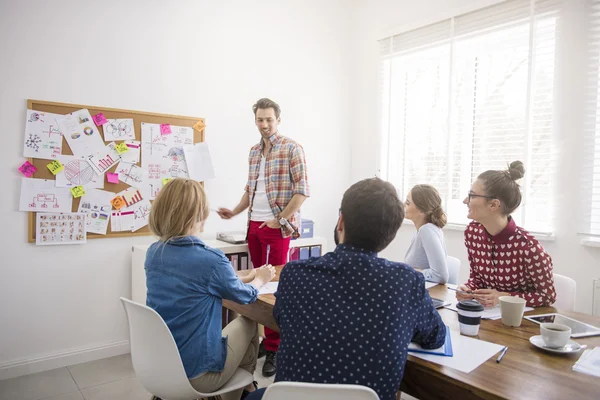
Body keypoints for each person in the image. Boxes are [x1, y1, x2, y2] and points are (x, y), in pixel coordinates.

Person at [246, 178, 446, 400]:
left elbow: (282, 318)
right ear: (390, 234)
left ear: (340, 221)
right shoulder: (406, 282)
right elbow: (436, 337)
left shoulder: (295, 274)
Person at [145, 178, 276, 400]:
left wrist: (240, 278)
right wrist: (260, 279)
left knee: (233, 326)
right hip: (197, 373)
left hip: (161, 365)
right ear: (199, 216)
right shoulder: (211, 259)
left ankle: (246, 389)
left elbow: (195, 283)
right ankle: (245, 389)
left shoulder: (154, 252)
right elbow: (245, 297)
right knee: (249, 320)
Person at [218, 97, 309, 377]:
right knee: (257, 285)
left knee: (275, 288)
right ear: (255, 120)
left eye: (269, 119)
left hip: (278, 228)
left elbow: (302, 191)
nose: (265, 124)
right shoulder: (254, 152)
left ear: (278, 120)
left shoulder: (292, 148)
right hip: (253, 226)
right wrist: (234, 211)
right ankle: (263, 341)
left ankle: (276, 347)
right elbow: (250, 188)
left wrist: (279, 219)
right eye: (260, 119)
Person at [456, 161, 556, 307]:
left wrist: (505, 297)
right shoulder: (472, 233)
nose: (466, 201)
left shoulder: (529, 248)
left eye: (472, 196)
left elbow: (548, 296)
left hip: (520, 324)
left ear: (494, 205)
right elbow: (477, 279)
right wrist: (468, 289)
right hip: (486, 317)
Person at [404, 184, 449, 283]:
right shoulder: (424, 230)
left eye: (407, 203)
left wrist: (410, 272)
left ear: (421, 210)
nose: (404, 205)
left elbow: (441, 275)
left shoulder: (426, 231)